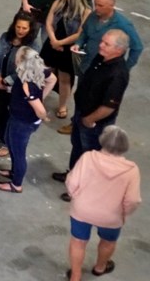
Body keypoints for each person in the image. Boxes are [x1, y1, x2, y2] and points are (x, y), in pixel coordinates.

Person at [53, 30, 132, 197]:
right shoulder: (101, 59)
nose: (100, 45)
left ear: (119, 49)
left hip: (95, 122)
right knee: (77, 147)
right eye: (102, 41)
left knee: (89, 156)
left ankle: (80, 189)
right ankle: (73, 174)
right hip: (82, 113)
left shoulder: (118, 74)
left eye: (106, 44)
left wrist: (89, 120)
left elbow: (109, 107)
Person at [65, 126, 142, 281]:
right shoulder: (131, 170)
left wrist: (75, 196)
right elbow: (133, 200)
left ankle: (76, 275)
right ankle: (100, 267)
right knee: (108, 242)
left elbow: (71, 181)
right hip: (111, 216)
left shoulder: (88, 157)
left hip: (83, 210)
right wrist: (124, 213)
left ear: (103, 140)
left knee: (78, 242)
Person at [0, 47, 56, 193]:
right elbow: (52, 79)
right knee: (9, 142)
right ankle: (14, 171)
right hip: (17, 117)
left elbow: (40, 110)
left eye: (17, 60)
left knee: (18, 151)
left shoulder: (27, 86)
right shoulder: (38, 70)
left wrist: (43, 116)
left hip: (23, 122)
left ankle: (16, 184)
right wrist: (42, 97)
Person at [0, 11, 40, 152]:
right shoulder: (5, 37)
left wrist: (7, 81)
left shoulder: (33, 45)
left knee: (12, 113)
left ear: (30, 29)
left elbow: (27, 68)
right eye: (18, 27)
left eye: (24, 28)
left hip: (18, 84)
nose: (20, 31)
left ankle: (6, 142)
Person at [41, 0, 90, 126]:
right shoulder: (58, 3)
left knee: (64, 78)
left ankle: (62, 105)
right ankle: (39, 98)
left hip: (68, 47)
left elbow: (80, 34)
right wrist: (53, 40)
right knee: (43, 72)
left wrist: (60, 43)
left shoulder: (85, 12)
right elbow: (49, 23)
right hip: (52, 43)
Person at [70, 0, 143, 75]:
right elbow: (85, 32)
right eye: (95, 4)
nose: (96, 7)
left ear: (111, 6)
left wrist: (125, 68)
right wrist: (78, 44)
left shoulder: (123, 25)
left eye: (100, 5)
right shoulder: (93, 16)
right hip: (86, 66)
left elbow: (137, 47)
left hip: (105, 73)